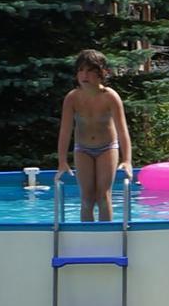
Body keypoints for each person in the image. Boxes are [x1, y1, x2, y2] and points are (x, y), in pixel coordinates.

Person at [56, 50, 133, 221]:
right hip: (82, 149)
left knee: (103, 196)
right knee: (87, 199)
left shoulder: (110, 97)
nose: (85, 75)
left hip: (107, 148)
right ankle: (87, 237)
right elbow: (65, 130)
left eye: (90, 70)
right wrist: (62, 161)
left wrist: (127, 160)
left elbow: (122, 130)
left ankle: (107, 236)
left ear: (102, 73)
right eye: (81, 70)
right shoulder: (72, 98)